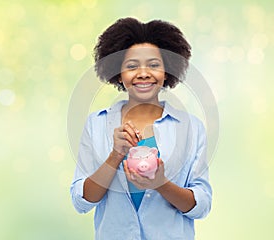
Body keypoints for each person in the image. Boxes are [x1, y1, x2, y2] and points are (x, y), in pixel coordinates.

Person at [70, 17, 212, 240]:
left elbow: (201, 205)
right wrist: (115, 156)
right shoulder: (96, 124)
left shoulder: (191, 128)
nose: (143, 73)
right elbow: (82, 201)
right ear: (118, 72)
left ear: (167, 71)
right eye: (132, 66)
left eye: (154, 65)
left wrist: (161, 184)